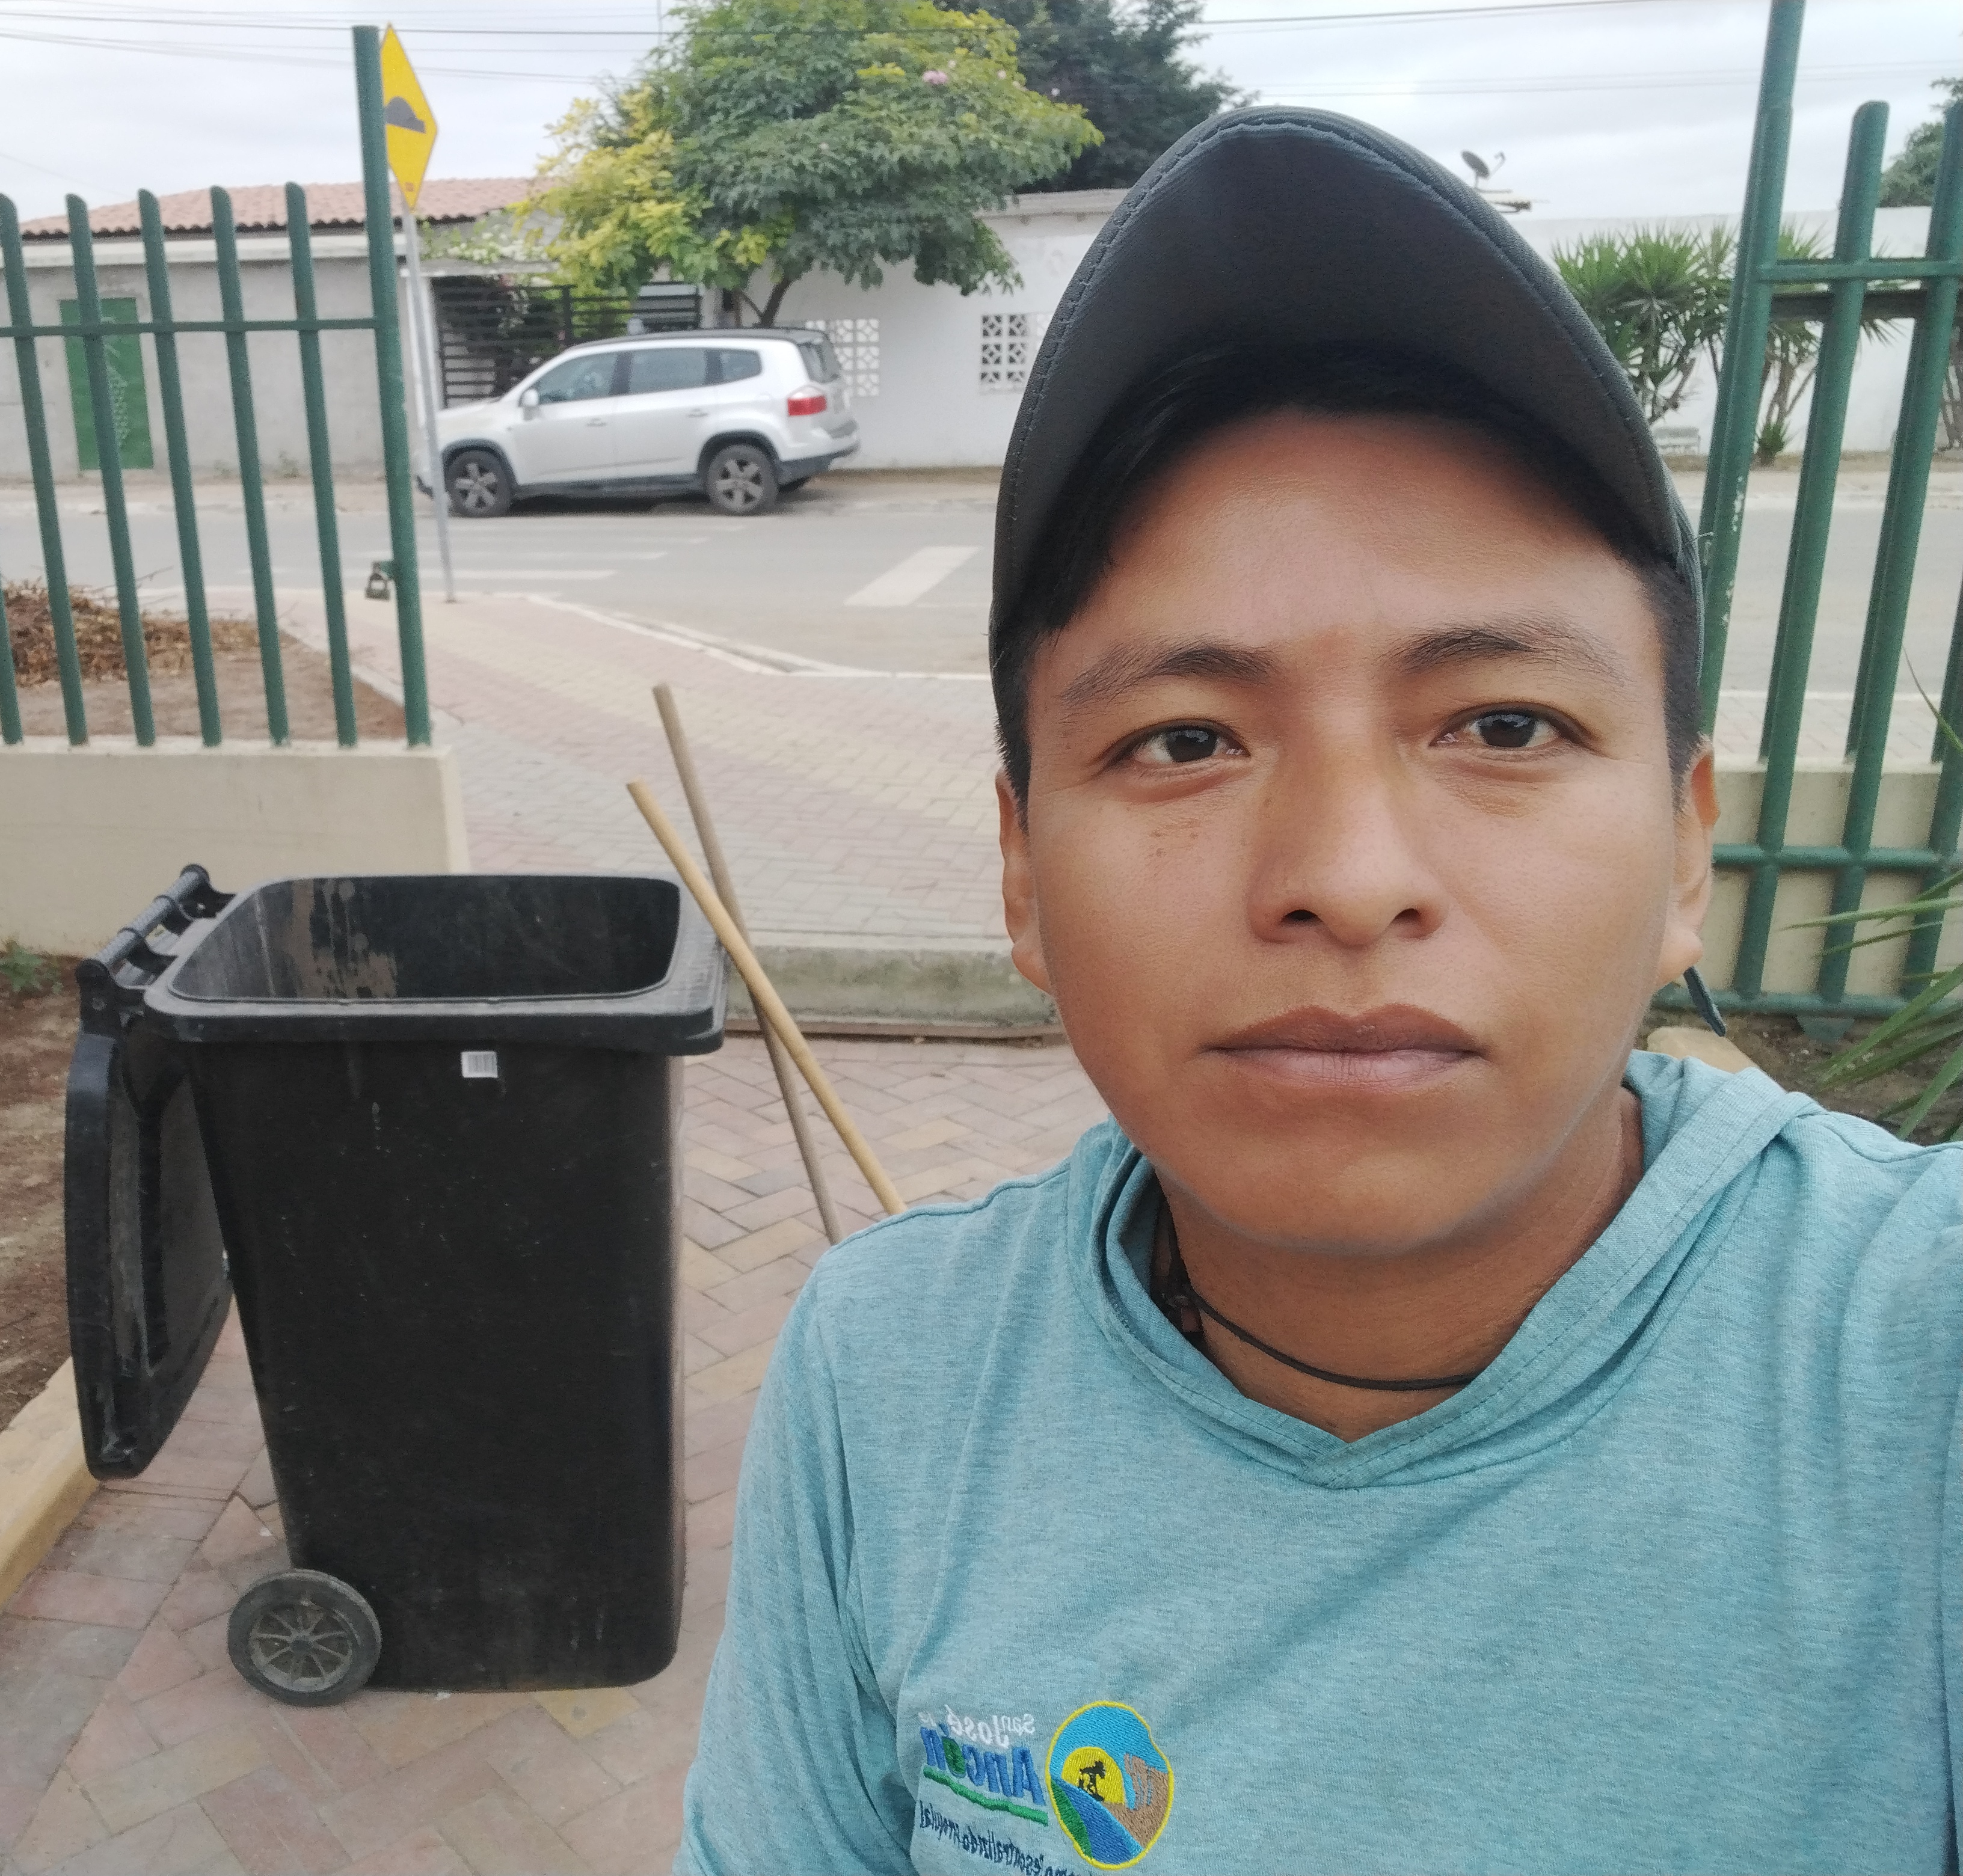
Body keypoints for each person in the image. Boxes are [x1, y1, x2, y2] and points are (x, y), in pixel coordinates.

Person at [675, 108, 1959, 1875]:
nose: (1348, 877)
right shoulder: (889, 1378)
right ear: (1023, 874)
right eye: (1182, 740)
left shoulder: (1913, 1362)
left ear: (1685, 852)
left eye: (1503, 724)